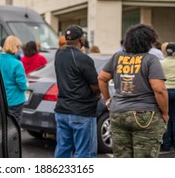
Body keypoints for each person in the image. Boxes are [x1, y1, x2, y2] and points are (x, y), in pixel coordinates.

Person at [98, 24, 168, 158]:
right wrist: (165, 113)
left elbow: (101, 78)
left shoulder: (117, 57)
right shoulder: (150, 60)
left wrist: (108, 100)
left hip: (118, 114)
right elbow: (159, 90)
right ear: (148, 42)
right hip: (145, 114)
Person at [54, 25, 100, 158]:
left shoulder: (59, 55)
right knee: (85, 153)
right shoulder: (83, 58)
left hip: (62, 110)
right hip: (82, 112)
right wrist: (98, 95)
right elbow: (95, 85)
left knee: (62, 150)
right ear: (81, 39)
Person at [0, 35, 28, 124]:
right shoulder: (17, 64)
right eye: (18, 47)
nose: (19, 49)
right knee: (14, 126)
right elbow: (22, 84)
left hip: (2, 99)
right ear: (15, 47)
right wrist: (26, 86)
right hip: (15, 100)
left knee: (4, 125)